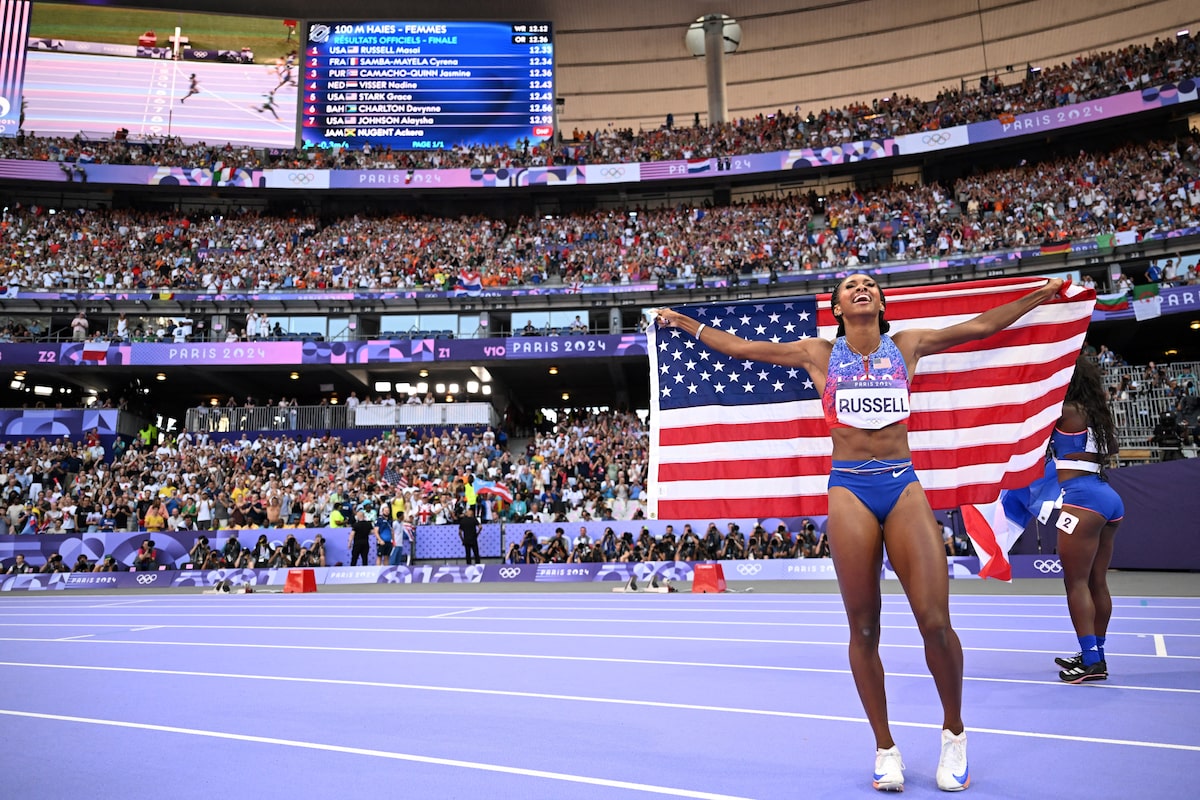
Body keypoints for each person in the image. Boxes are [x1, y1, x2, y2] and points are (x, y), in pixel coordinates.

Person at [654, 273, 1065, 793]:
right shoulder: (816, 353)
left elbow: (980, 326)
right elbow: (740, 347)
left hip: (902, 485)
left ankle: (954, 733)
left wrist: (1039, 297)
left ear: (882, 301)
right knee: (864, 629)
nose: (862, 287)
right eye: (851, 285)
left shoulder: (907, 345)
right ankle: (885, 748)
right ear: (838, 305)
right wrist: (683, 322)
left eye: (870, 283)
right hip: (849, 489)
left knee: (936, 622)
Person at [1051, 356, 1124, 683]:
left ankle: (1092, 662)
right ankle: (1096, 652)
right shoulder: (1095, 413)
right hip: (1107, 498)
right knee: (1096, 580)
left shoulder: (1063, 411)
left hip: (1082, 502)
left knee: (1076, 582)